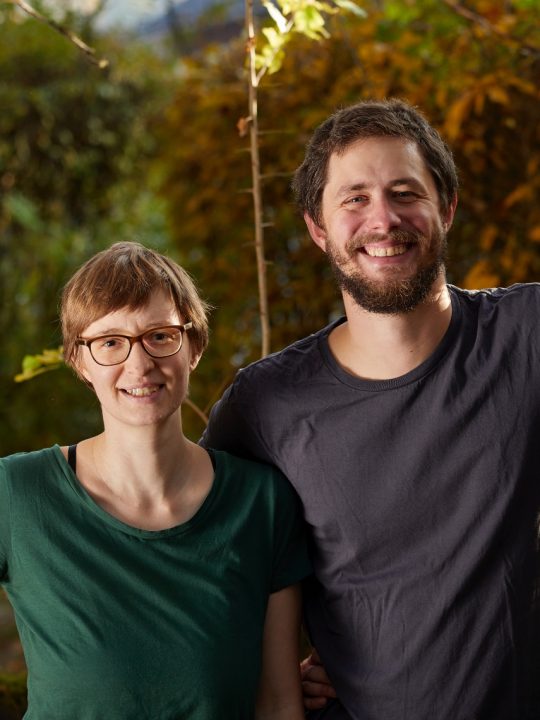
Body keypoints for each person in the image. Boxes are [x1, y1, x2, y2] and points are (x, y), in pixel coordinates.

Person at [201, 98, 540, 720]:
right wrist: (262, 667)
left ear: (447, 208)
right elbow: (196, 560)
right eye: (354, 199)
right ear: (318, 228)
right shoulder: (266, 404)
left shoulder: (526, 334)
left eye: (405, 192)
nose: (383, 220)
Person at [0, 242, 311, 719]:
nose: (139, 364)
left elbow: (278, 704)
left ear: (195, 347)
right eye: (109, 342)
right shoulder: (19, 493)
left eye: (160, 335)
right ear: (80, 362)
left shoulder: (261, 502)